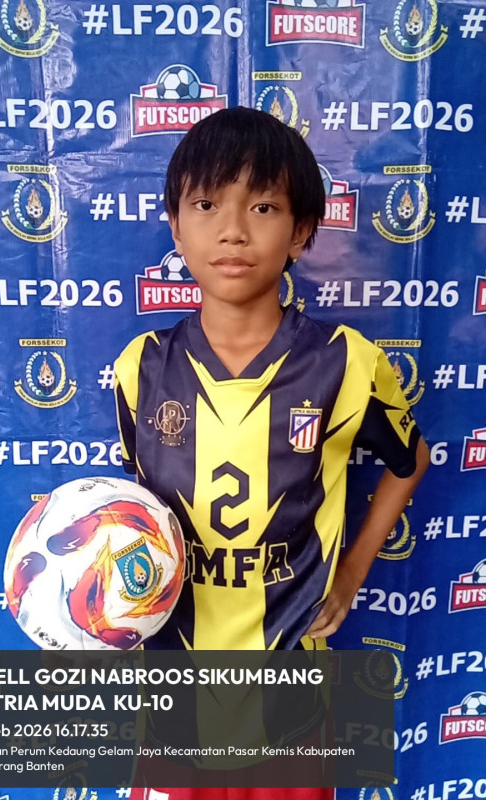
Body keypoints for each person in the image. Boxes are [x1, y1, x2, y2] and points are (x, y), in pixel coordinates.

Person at [114, 106, 430, 652]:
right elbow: (137, 507)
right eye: (206, 205)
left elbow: (411, 459)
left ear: (299, 231)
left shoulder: (345, 362)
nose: (233, 231)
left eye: (263, 207)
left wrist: (351, 573)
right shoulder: (141, 366)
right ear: (176, 228)